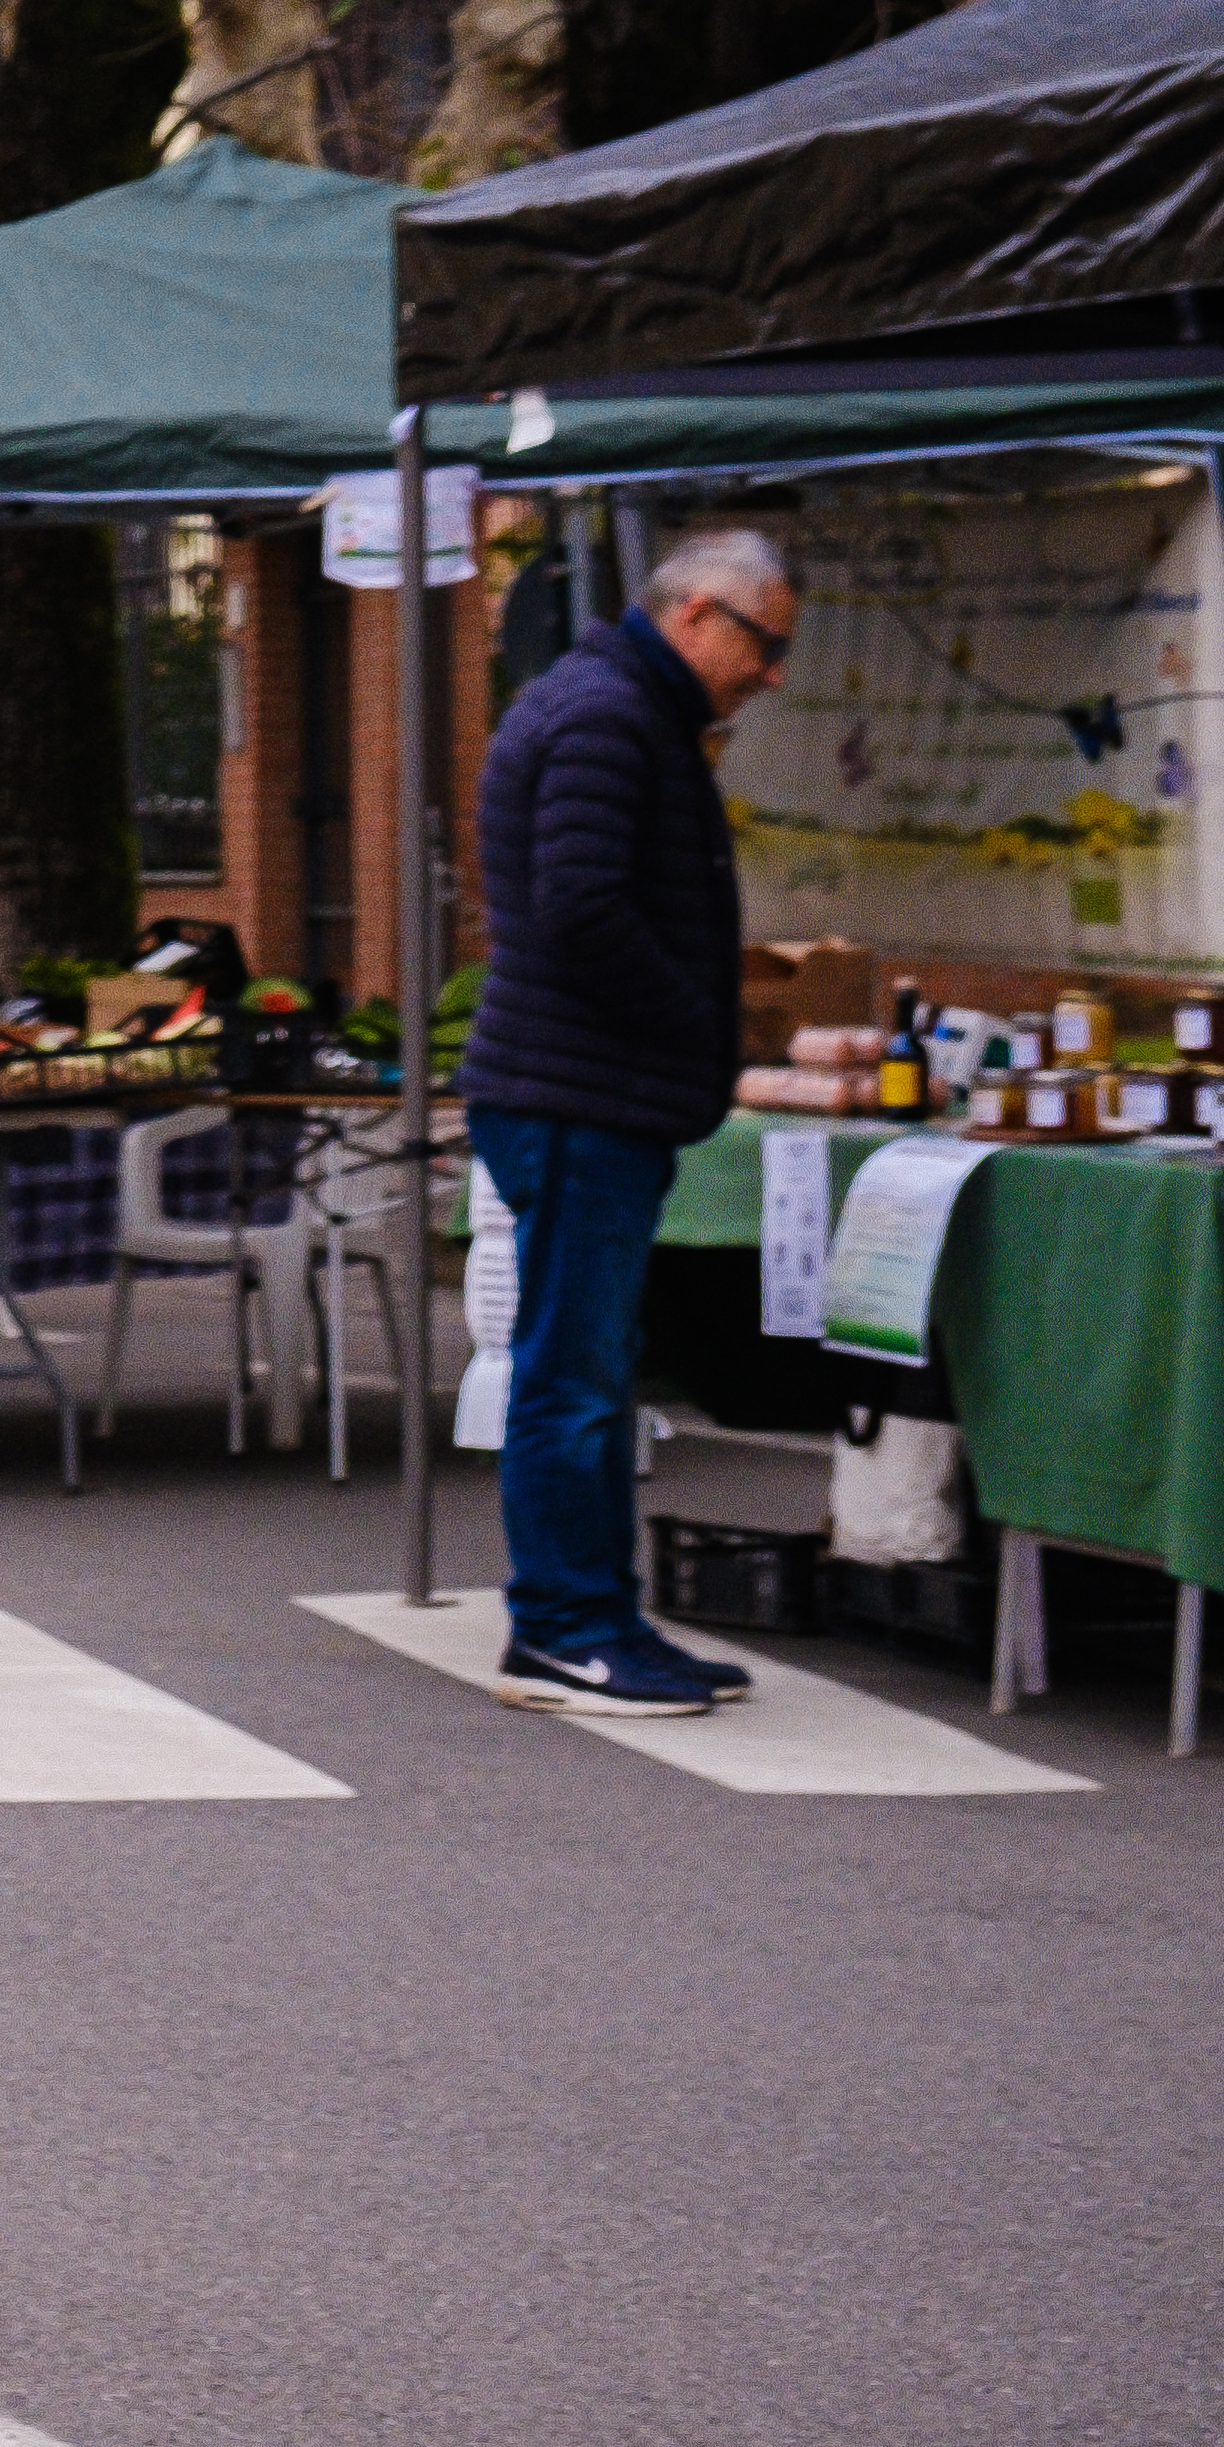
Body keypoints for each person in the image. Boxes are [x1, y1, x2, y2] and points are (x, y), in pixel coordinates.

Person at [469, 522, 787, 1714]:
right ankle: (565, 1623)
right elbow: (583, 911)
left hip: (580, 1089)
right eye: (764, 641)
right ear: (697, 612)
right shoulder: (609, 718)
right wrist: (693, 1029)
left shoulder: (614, 708)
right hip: (579, 1094)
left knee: (591, 1367)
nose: (772, 670)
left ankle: (599, 1613)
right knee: (576, 1373)